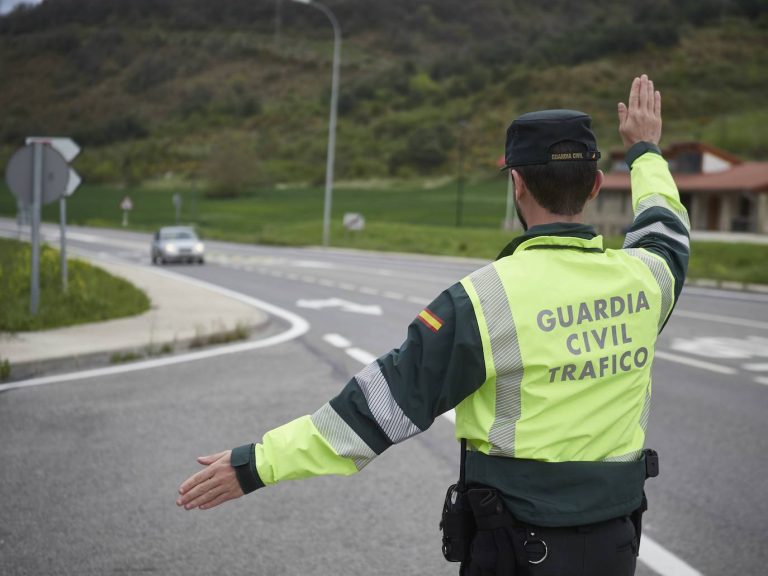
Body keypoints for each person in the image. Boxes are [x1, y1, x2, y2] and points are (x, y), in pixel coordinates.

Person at [177, 74, 689, 576]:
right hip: (615, 545)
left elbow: (374, 411)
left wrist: (256, 464)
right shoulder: (648, 279)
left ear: (516, 183)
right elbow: (666, 227)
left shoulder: (481, 301)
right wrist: (644, 151)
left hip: (515, 548)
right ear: (597, 185)